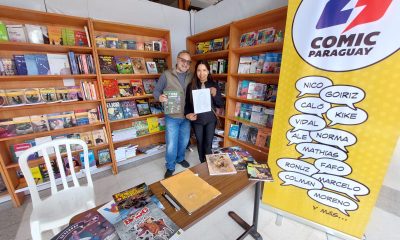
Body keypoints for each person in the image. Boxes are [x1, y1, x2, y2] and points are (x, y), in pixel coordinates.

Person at [153, 50, 193, 178]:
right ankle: (170, 166)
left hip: (186, 116)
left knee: (184, 141)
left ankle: (180, 158)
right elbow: (156, 91)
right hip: (172, 117)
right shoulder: (166, 74)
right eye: (183, 60)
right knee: (171, 143)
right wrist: (160, 97)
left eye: (188, 62)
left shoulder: (191, 76)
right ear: (177, 59)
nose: (185, 64)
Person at [184, 60, 224, 163]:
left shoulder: (214, 85)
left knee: (208, 144)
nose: (201, 73)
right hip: (197, 120)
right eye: (198, 70)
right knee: (200, 143)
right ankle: (202, 163)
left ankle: (209, 165)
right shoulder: (191, 86)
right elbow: (188, 105)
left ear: (208, 71)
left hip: (210, 120)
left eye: (204, 70)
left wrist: (215, 94)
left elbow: (220, 104)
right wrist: (187, 114)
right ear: (195, 71)